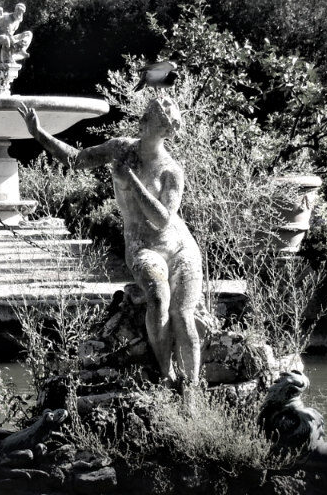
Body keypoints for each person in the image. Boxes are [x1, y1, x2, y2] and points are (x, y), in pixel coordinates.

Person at [17, 96, 203, 386]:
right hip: (143, 247)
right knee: (158, 298)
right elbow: (77, 160)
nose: (162, 106)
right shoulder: (121, 149)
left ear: (169, 130)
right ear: (142, 123)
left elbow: (163, 219)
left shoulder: (171, 171)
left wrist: (132, 182)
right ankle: (166, 374)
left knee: (182, 315)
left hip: (181, 248)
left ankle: (192, 388)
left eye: (164, 115)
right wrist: (40, 135)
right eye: (154, 113)